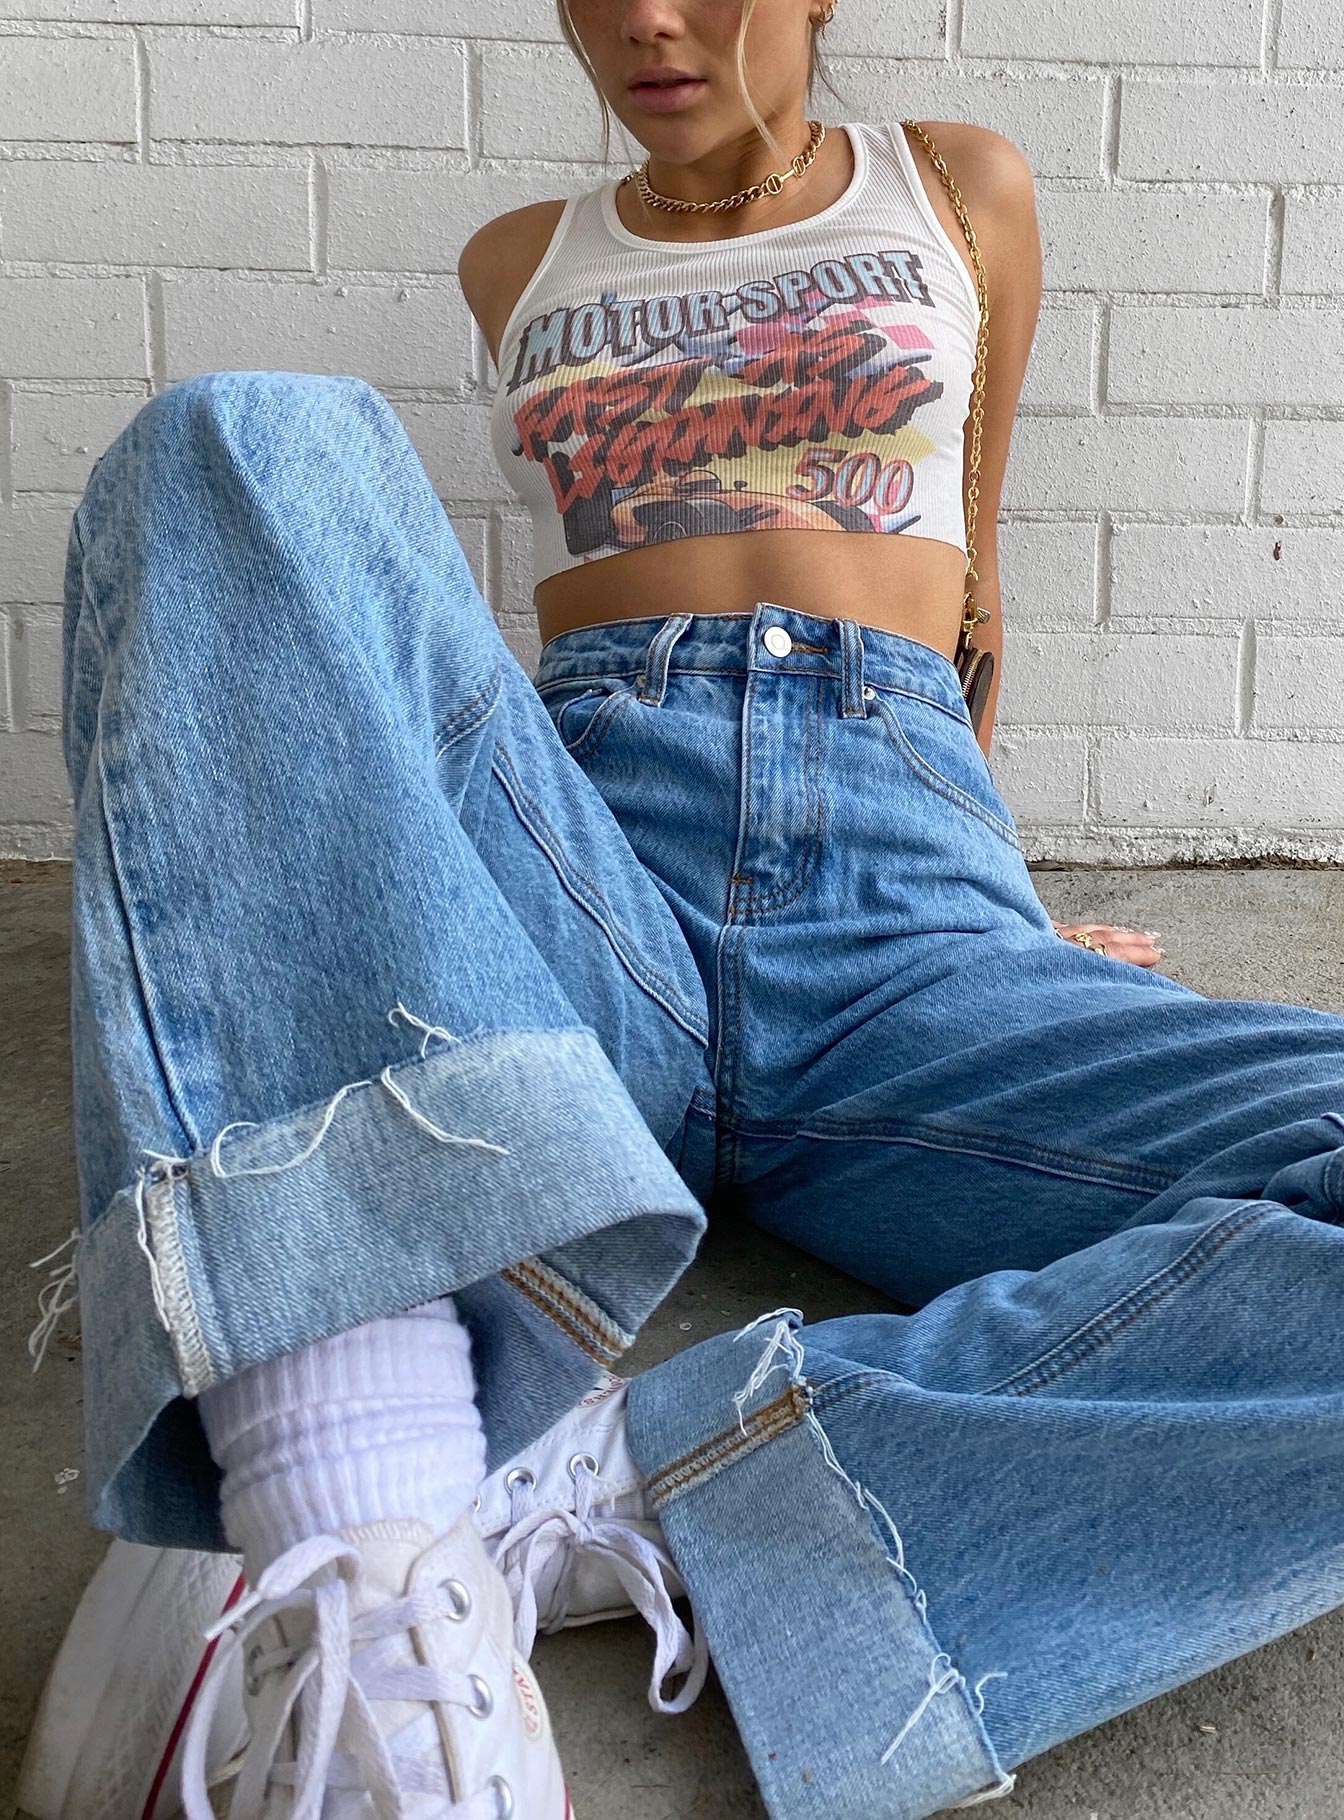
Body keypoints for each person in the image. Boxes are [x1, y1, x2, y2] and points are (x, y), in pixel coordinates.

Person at [18, 2, 1344, 1818]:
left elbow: (973, 578)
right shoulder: (518, 258)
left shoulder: (957, 188)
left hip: (906, 922)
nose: (650, 14)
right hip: (585, 864)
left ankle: (600, 1485)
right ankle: (356, 1519)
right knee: (244, 439)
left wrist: (1001, 913)